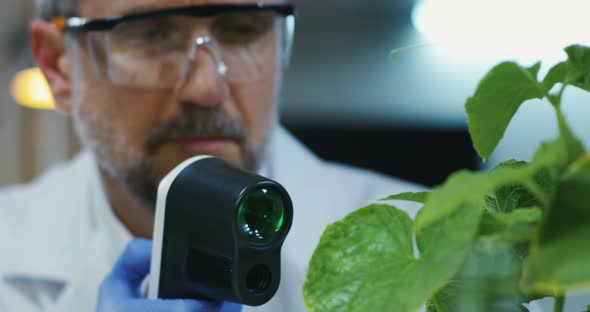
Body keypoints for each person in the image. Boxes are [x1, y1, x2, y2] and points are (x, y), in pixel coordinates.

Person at [0, 0, 421, 311]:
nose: (204, 88)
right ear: (59, 67)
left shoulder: (436, 248)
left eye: (242, 29)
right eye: (150, 34)